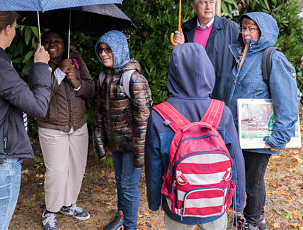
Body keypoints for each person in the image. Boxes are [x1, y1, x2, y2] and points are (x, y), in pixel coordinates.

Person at [145, 43, 245, 230]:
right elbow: (236, 160)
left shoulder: (159, 115)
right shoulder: (222, 111)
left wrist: (154, 201)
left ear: (173, 73)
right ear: (208, 70)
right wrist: (237, 201)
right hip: (216, 201)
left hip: (177, 204)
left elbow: (153, 165)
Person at [0, 11, 52, 230]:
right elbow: (39, 107)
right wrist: (41, 67)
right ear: (7, 29)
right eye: (14, 27)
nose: (15, 31)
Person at [226, 12, 299, 230]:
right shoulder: (240, 54)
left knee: (253, 180)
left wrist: (279, 136)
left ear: (263, 31)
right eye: (243, 28)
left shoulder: (272, 57)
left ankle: (252, 221)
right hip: (239, 131)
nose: (246, 33)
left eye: (251, 29)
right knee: (242, 176)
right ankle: (254, 215)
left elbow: (286, 100)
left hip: (260, 134)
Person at [93, 30, 152, 230]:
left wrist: (140, 153)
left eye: (108, 49)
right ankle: (122, 218)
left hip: (132, 144)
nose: (103, 54)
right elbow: (99, 113)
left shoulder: (133, 79)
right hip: (116, 142)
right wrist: (100, 142)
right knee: (120, 183)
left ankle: (130, 226)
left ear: (118, 49)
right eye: (101, 50)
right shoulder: (103, 77)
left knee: (128, 186)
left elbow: (143, 119)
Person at [38, 30, 94, 230]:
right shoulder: (39, 63)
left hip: (78, 124)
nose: (52, 44)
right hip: (52, 126)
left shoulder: (76, 59)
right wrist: (60, 73)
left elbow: (91, 88)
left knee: (77, 167)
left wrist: (77, 82)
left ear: (65, 43)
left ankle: (68, 204)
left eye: (57, 41)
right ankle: (50, 211)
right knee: (57, 171)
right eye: (47, 41)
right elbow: (39, 94)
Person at [173, 0, 239, 102]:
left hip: (220, 94)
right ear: (194, 7)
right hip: (193, 93)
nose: (208, 7)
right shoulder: (186, 29)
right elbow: (181, 65)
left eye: (212, 2)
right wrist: (181, 47)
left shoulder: (231, 28)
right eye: (204, 3)